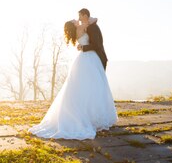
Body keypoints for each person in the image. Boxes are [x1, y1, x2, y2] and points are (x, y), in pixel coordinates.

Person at [28, 8, 117, 140]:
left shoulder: (82, 27)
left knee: (89, 85)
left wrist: (89, 23)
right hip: (88, 58)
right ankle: (90, 116)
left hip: (85, 58)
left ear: (84, 15)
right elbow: (92, 34)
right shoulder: (81, 28)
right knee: (93, 85)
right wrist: (88, 25)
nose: (78, 19)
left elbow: (91, 28)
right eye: (76, 19)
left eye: (79, 16)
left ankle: (91, 115)